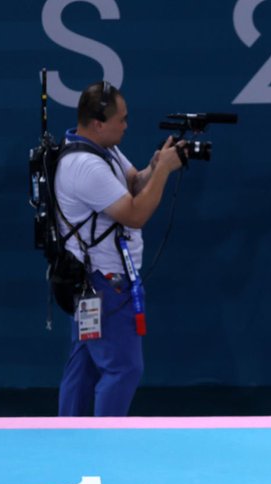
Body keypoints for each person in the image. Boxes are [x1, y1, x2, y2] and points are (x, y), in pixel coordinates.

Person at [56, 80, 184, 416]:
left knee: (83, 365)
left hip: (93, 284)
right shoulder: (86, 165)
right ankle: (106, 443)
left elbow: (133, 182)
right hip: (106, 283)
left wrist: (156, 166)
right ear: (98, 123)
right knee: (123, 369)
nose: (126, 125)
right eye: (121, 120)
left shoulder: (103, 148)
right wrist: (166, 173)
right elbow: (135, 214)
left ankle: (65, 437)